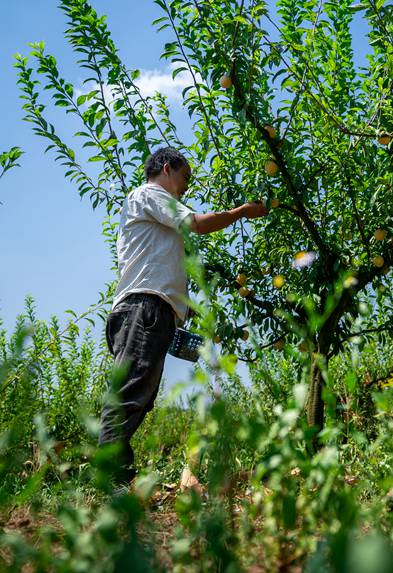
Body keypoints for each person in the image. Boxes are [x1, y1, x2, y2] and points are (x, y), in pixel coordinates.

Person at [100, 147, 268, 486]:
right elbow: (196, 224)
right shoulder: (150, 194)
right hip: (143, 309)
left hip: (150, 309)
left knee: (140, 394)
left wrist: (181, 304)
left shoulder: (154, 213)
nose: (187, 186)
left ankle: (117, 477)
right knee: (131, 392)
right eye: (185, 176)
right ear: (166, 168)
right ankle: (109, 479)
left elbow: (157, 259)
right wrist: (241, 212)